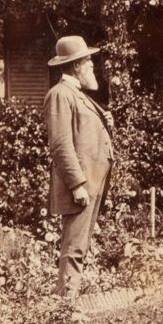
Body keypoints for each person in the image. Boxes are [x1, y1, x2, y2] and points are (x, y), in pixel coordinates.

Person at [44, 35, 115, 299]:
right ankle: (65, 307)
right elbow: (60, 145)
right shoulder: (60, 95)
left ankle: (68, 300)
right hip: (82, 185)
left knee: (79, 246)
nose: (92, 67)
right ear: (76, 66)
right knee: (73, 248)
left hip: (91, 182)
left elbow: (84, 135)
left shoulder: (78, 95)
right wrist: (77, 184)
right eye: (88, 62)